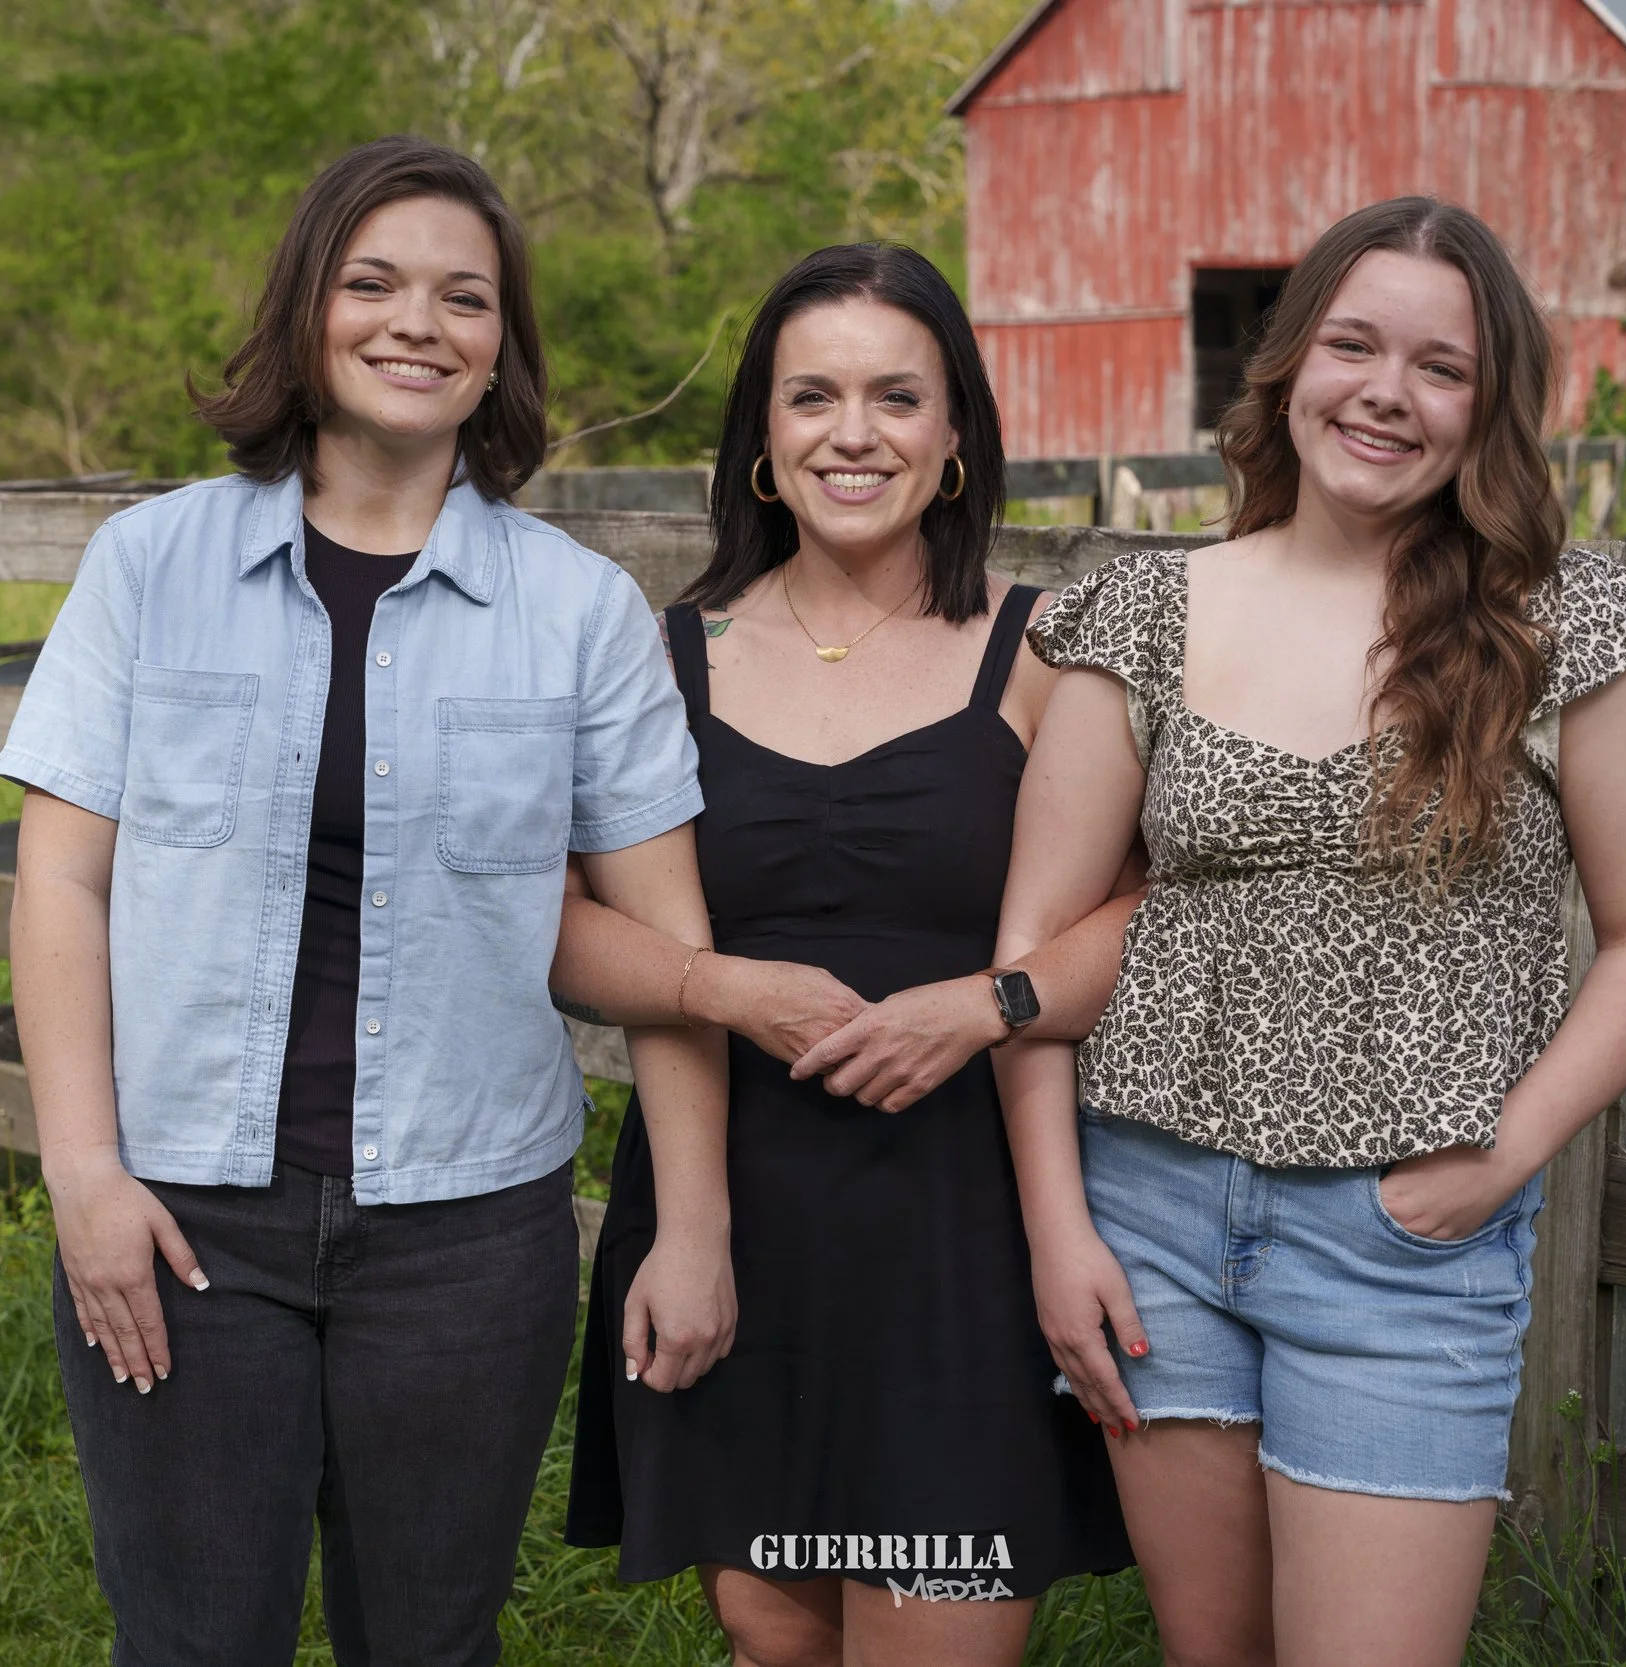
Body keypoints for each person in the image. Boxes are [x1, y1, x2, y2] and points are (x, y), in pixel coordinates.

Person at [0, 136, 731, 1667]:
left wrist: (696, 1226)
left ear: (500, 351)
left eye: (466, 298)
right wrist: (83, 1173)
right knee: (196, 1641)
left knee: (431, 1644)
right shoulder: (149, 565)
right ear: (308, 310)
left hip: (468, 1240)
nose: (419, 322)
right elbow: (63, 879)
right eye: (374, 282)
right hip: (187, 1216)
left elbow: (673, 963)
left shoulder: (581, 614)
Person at [992, 196, 1626, 1667]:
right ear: (1289, 366)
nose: (1387, 391)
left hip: (1404, 1240)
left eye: (1439, 367)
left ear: (1488, 407)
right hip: (1154, 1219)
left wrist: (1502, 1159)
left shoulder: (1564, 625)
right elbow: (1033, 953)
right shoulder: (1146, 609)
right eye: (1355, 344)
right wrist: (1059, 1228)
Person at [553, 243, 1133, 1667]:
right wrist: (721, 995)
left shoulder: (1049, 652)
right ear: (764, 433)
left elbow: (1141, 919)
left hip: (963, 1229)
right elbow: (563, 933)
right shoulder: (664, 658)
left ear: (954, 436)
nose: (853, 432)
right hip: (734, 1220)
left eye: (896, 396)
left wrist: (985, 1006)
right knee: (774, 1633)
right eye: (813, 396)